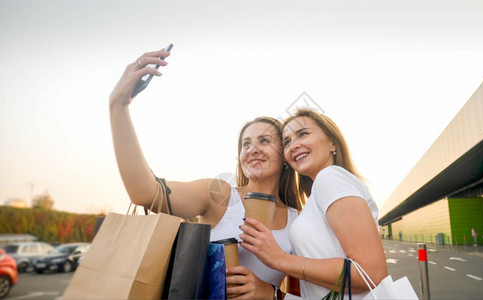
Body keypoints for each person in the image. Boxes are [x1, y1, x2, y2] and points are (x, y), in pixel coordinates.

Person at [109, 47, 304, 299]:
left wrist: (270, 293)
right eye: (246, 144)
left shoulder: (297, 219)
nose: (253, 149)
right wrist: (119, 105)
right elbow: (146, 193)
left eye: (264, 141)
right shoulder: (220, 195)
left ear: (286, 154)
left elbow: (307, 291)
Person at [240, 108, 387, 298]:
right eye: (287, 142)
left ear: (332, 142)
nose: (293, 145)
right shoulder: (316, 197)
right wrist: (272, 295)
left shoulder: (331, 177)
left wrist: (280, 259)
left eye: (303, 134)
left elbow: (370, 272)